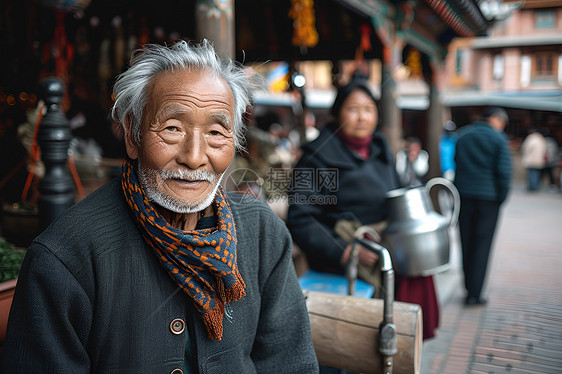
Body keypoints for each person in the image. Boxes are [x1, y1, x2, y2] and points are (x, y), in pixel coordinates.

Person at [3, 40, 319, 373]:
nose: (195, 157)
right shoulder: (66, 254)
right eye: (172, 128)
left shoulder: (261, 232)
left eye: (215, 132)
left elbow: (290, 363)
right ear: (132, 135)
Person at [286, 79, 440, 345]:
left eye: (368, 109)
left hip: (389, 256)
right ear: (337, 114)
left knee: (393, 342)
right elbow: (301, 217)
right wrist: (345, 251)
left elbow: (398, 195)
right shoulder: (316, 158)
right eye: (353, 109)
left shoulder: (381, 151)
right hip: (343, 268)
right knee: (354, 345)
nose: (361, 117)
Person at [454, 107, 512, 306]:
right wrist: (500, 198)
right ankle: (475, 294)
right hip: (489, 200)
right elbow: (504, 173)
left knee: (466, 242)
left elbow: (456, 163)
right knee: (482, 246)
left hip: (464, 196)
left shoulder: (463, 136)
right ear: (495, 119)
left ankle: (468, 287)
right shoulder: (498, 140)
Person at [520, 127, 547, 192]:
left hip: (531, 159)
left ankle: (533, 187)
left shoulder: (531, 138)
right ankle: (536, 186)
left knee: (531, 174)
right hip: (539, 159)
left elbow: (526, 148)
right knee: (537, 173)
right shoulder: (541, 139)